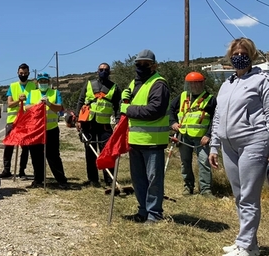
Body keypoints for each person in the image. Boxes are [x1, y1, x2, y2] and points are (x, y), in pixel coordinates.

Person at [209, 37, 269, 256]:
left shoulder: (262, 80)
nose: (238, 57)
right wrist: (214, 145)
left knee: (249, 196)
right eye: (234, 54)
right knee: (239, 196)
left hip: (254, 141)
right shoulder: (227, 84)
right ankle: (249, 245)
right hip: (228, 146)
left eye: (243, 53)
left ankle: (245, 246)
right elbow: (218, 118)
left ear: (251, 55)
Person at [120, 49, 170, 224]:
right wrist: (123, 101)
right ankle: (143, 211)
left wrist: (128, 109)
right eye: (138, 64)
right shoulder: (134, 84)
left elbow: (155, 110)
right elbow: (125, 108)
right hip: (135, 141)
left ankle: (154, 214)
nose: (141, 67)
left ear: (153, 65)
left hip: (153, 142)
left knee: (154, 180)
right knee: (139, 180)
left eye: (145, 64)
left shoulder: (159, 84)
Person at [75, 63, 122, 187]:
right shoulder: (89, 84)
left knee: (107, 152)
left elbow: (118, 106)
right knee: (90, 152)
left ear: (109, 72)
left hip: (104, 125)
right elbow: (80, 101)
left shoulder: (114, 87)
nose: (103, 72)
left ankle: (109, 179)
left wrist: (118, 120)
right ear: (97, 71)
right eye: (101, 70)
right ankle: (93, 179)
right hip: (88, 123)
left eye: (106, 70)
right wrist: (78, 119)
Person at [169, 72, 216, 196]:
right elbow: (170, 110)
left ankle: (206, 189)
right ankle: (188, 187)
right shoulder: (182, 96)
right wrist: (173, 123)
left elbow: (215, 119)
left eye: (197, 83)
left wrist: (209, 134)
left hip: (202, 138)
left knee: (204, 162)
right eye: (191, 83)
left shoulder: (210, 99)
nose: (194, 86)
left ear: (202, 84)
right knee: (185, 162)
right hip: (184, 136)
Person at [25, 72, 68, 189]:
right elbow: (27, 107)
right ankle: (38, 180)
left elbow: (59, 107)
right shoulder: (32, 93)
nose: (43, 83)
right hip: (36, 130)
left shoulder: (55, 93)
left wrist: (49, 103)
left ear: (48, 82)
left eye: (45, 81)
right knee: (36, 156)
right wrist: (37, 105)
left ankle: (62, 180)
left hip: (51, 129)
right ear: (37, 83)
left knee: (53, 156)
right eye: (41, 81)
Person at [0, 63, 36, 179]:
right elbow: (10, 104)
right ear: (17, 73)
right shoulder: (13, 86)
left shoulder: (33, 86)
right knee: (9, 145)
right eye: (21, 73)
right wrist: (18, 101)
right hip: (12, 121)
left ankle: (22, 170)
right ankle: (6, 170)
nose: (23, 75)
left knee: (25, 147)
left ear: (28, 73)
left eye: (25, 73)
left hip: (27, 121)